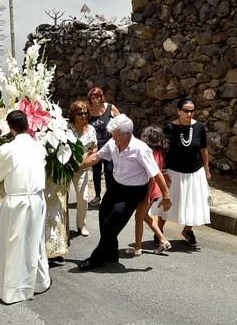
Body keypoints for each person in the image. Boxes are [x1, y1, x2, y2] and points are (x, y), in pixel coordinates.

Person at [78, 115, 172, 271]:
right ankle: (111, 253)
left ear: (126, 134)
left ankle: (95, 258)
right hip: (116, 186)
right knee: (103, 216)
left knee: (112, 224)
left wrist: (166, 196)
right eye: (113, 136)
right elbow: (96, 157)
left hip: (133, 192)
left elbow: (156, 173)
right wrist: (76, 167)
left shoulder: (140, 149)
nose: (114, 140)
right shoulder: (113, 142)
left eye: (116, 137)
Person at [0, 110, 51, 304]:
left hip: (17, 202)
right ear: (27, 125)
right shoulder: (38, 147)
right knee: (34, 242)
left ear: (11, 128)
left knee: (13, 246)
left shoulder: (8, 150)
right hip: (37, 200)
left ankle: (12, 289)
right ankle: (38, 282)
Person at [157, 97, 211, 247]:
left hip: (195, 171)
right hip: (173, 171)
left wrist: (206, 169)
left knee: (192, 203)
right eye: (186, 111)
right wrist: (162, 169)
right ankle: (159, 230)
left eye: (192, 111)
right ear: (179, 111)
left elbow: (204, 150)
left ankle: (188, 230)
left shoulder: (199, 127)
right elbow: (162, 151)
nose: (189, 114)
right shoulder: (169, 128)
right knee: (167, 201)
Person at [127, 126, 172, 256]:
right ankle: (163, 240)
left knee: (138, 218)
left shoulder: (149, 154)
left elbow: (151, 178)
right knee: (145, 216)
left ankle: (137, 248)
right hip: (155, 191)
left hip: (149, 191)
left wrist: (146, 196)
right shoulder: (159, 153)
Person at [68, 100, 98, 237]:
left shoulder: (91, 129)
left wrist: (90, 156)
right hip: (66, 168)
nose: (84, 116)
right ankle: (63, 226)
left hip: (82, 169)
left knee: (83, 198)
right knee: (63, 198)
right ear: (73, 114)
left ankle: (81, 224)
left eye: (86, 113)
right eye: (80, 113)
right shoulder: (67, 128)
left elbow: (94, 147)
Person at [87, 86, 120, 205]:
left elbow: (120, 122)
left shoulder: (110, 108)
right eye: (92, 97)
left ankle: (110, 195)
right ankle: (97, 196)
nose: (95, 100)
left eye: (97, 97)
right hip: (95, 146)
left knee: (109, 170)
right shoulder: (89, 111)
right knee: (96, 171)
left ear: (101, 97)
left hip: (110, 145)